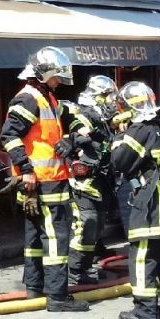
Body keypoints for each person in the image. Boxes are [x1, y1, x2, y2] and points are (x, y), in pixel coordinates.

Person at [0, 46, 89, 312]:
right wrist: (26, 169)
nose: (59, 82)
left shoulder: (45, 97)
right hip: (43, 182)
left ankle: (34, 288)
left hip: (40, 183)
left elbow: (56, 130)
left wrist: (70, 139)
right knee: (56, 239)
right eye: (56, 76)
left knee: (36, 239)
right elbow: (9, 136)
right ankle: (57, 296)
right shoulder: (29, 99)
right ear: (43, 74)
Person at [111, 81, 160, 319]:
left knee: (144, 256)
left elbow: (120, 162)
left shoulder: (139, 129)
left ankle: (145, 312)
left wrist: (119, 135)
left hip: (154, 201)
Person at [56, 75, 118, 286]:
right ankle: (74, 270)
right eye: (108, 97)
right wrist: (76, 139)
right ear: (97, 96)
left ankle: (85, 265)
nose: (111, 101)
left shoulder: (102, 119)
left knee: (97, 224)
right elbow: (79, 132)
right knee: (86, 223)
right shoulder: (83, 115)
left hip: (98, 181)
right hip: (82, 182)